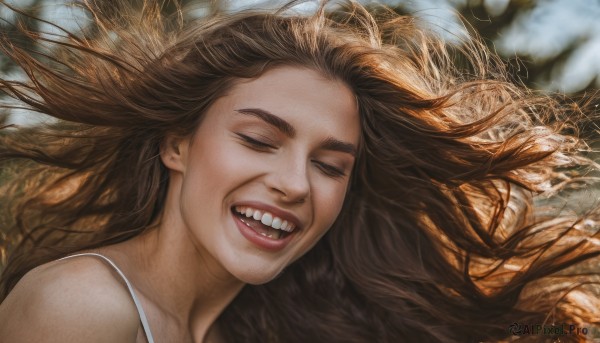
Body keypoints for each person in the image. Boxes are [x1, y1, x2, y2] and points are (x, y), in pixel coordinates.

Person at [0, 0, 598, 342]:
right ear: (175, 143)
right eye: (259, 140)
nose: (294, 183)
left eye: (330, 166)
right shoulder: (81, 306)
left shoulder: (250, 326)